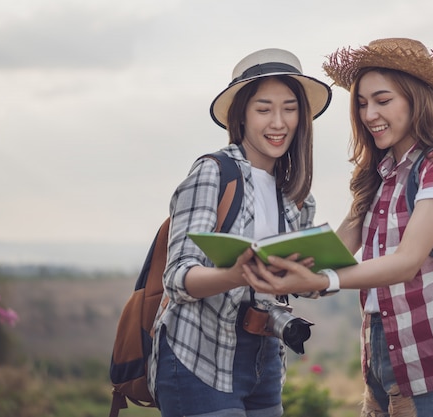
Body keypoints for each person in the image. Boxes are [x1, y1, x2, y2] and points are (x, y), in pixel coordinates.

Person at [243, 38, 433, 416]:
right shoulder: (379, 174)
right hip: (381, 351)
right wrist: (284, 266)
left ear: (416, 99)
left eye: (382, 100)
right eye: (361, 103)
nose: (369, 114)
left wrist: (322, 281)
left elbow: (407, 261)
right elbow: (342, 247)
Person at [147, 48, 332, 417]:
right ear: (242, 116)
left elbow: (295, 283)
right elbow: (177, 277)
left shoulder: (297, 195)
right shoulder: (213, 172)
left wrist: (316, 278)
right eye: (264, 109)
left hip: (265, 358)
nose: (278, 122)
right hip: (198, 354)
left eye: (290, 108)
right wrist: (234, 275)